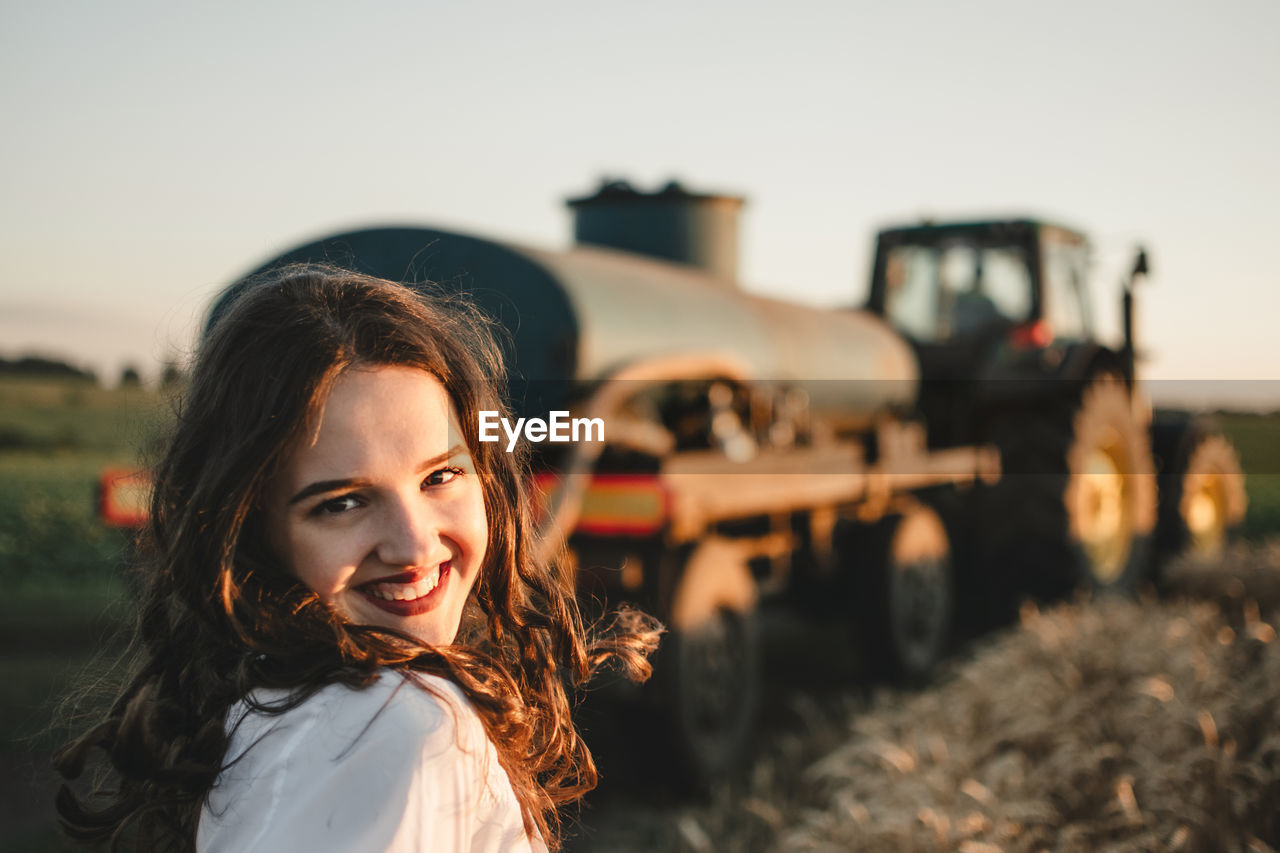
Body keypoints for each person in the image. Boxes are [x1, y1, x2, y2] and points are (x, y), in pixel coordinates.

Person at [54, 265, 661, 851]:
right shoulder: (397, 725)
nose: (415, 544)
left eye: (441, 475)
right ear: (254, 529)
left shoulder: (288, 698)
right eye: (342, 503)